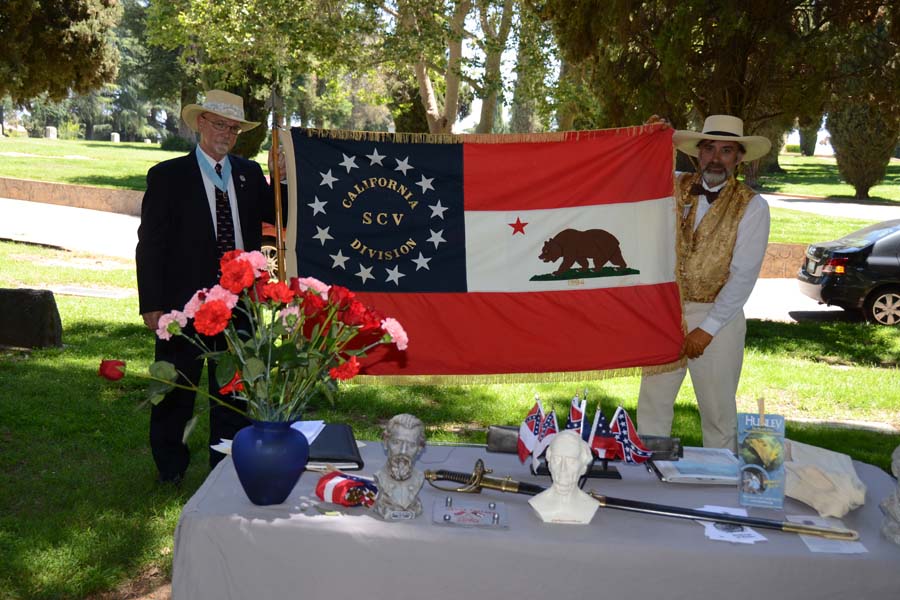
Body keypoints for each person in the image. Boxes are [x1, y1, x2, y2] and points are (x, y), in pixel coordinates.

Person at [136, 89, 278, 484]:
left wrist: (282, 174)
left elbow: (276, 214)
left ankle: (226, 465)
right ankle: (170, 467)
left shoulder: (249, 175)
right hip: (183, 303)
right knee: (176, 387)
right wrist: (153, 302)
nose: (226, 133)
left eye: (233, 128)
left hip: (240, 302)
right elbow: (150, 245)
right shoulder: (167, 176)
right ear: (200, 123)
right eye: (219, 124)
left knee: (234, 387)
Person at [637, 115, 771, 453]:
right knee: (653, 404)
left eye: (726, 151)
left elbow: (743, 276)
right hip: (665, 313)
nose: (715, 158)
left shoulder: (753, 207)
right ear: (697, 153)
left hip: (718, 317)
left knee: (717, 411)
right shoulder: (671, 185)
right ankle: (652, 475)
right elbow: (633, 175)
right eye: (709, 148)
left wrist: (707, 329)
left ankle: (720, 489)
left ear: (738, 158)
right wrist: (648, 138)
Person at [528, 430, 598, 524]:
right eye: (557, 459)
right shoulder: (537, 503)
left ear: (583, 467)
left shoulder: (591, 505)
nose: (563, 469)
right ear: (549, 464)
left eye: (571, 460)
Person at [372, 413, 427, 519]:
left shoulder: (419, 477)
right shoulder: (380, 476)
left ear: (420, 448)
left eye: (411, 445)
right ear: (385, 442)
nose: (403, 451)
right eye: (396, 442)